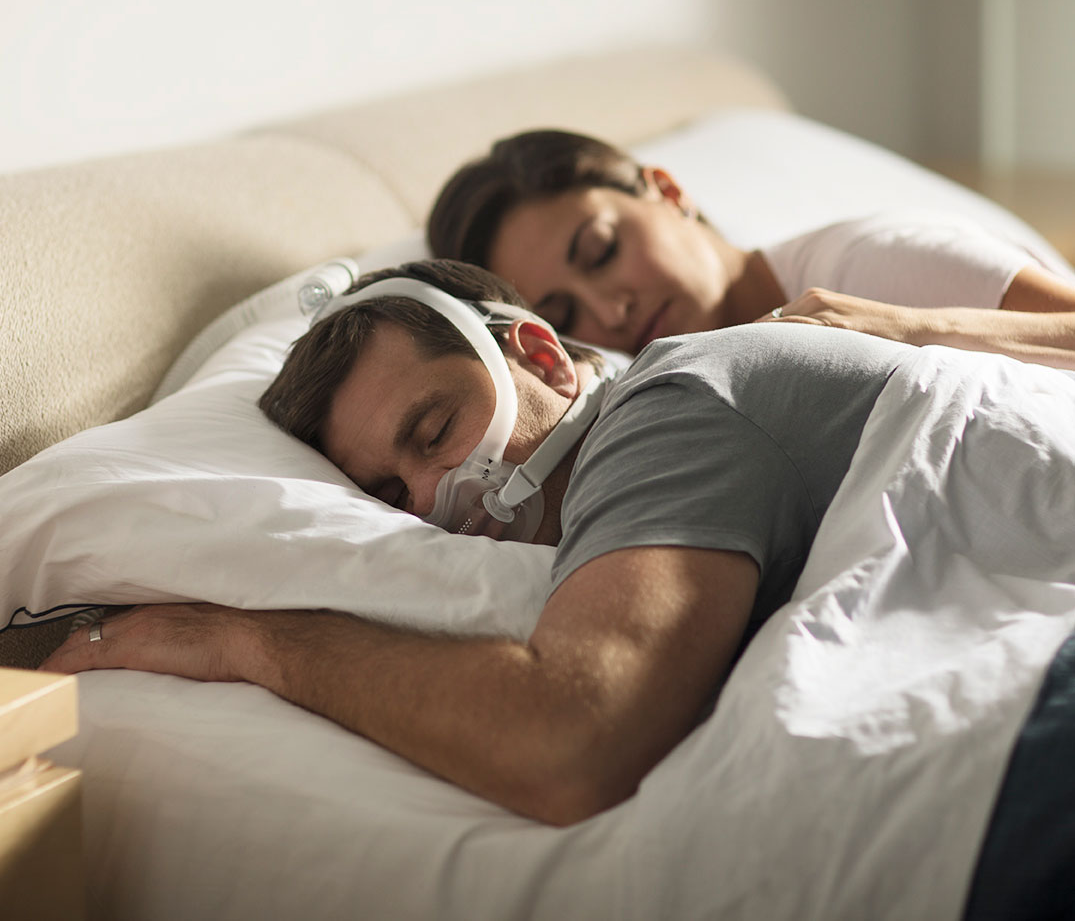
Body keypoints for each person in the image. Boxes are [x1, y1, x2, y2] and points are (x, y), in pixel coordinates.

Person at [33, 259, 1031, 826]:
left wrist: (246, 641)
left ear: (542, 354)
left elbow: (571, 742)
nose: (438, 495)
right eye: (390, 492)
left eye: (434, 430)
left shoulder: (675, 399)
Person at [426, 129, 1075, 368]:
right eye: (564, 315)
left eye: (600, 251)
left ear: (668, 191)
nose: (609, 311)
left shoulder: (873, 266)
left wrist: (909, 329)